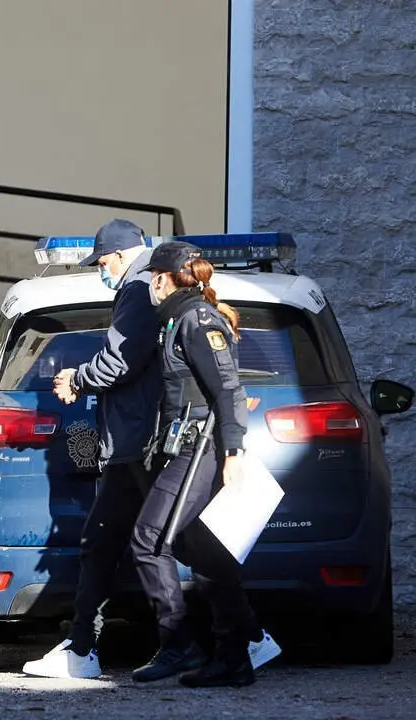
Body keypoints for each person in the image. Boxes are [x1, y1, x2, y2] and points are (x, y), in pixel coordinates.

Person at [128, 241, 280, 688]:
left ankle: (178, 643)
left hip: (201, 447)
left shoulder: (197, 319)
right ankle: (238, 650)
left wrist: (233, 452)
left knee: (149, 540)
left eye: (152, 277)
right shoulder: (177, 318)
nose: (151, 285)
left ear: (162, 278)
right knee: (205, 551)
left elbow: (228, 388)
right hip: (186, 445)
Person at [22, 219, 164, 679]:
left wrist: (77, 378)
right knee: (105, 541)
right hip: (132, 438)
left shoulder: (138, 288)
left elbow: (121, 359)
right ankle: (82, 646)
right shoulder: (149, 284)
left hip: (138, 440)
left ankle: (237, 634)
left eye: (102, 262)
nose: (102, 270)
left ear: (120, 255)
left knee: (166, 542)